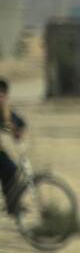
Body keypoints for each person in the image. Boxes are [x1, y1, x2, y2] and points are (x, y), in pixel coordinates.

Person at [0, 79, 27, 213]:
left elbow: (20, 125)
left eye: (2, 95)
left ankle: (12, 205)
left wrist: (13, 127)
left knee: (10, 169)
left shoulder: (5, 110)